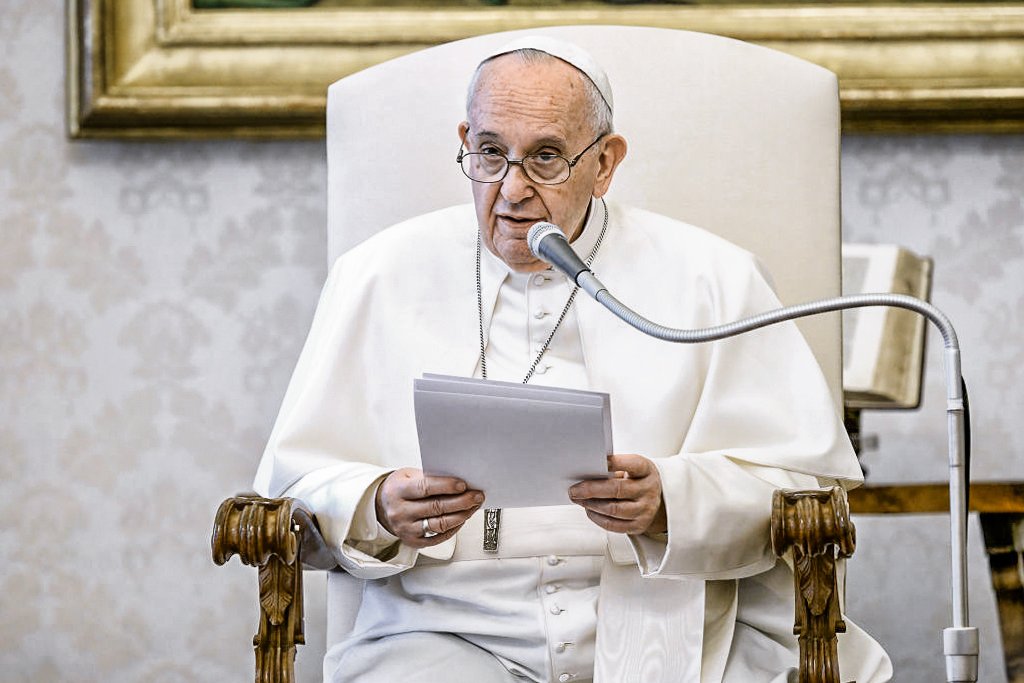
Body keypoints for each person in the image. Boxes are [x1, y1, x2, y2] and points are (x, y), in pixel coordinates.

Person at [254, 36, 892, 683]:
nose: (512, 189)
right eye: (491, 153)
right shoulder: (377, 274)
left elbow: (809, 489)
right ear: (465, 141)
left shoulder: (713, 277)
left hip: (679, 626)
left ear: (605, 162)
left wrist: (671, 501)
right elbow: (290, 492)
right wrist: (378, 505)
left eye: (547, 158)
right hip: (438, 632)